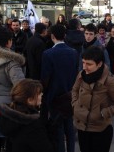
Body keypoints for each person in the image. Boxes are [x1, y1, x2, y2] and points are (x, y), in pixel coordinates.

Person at [72, 45, 114, 152]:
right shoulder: (81, 74)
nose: (84, 67)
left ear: (99, 64)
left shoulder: (109, 81)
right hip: (82, 127)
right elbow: (74, 90)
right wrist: (75, 105)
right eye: (83, 62)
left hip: (100, 130)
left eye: (89, 64)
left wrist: (103, 113)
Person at [41, 24, 78, 152]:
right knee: (69, 126)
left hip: (54, 96)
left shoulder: (48, 54)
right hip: (69, 95)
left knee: (58, 129)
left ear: (52, 36)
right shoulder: (74, 53)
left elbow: (45, 78)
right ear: (65, 36)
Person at [0, 79, 54, 152]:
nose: (42, 94)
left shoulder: (7, 116)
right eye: (39, 93)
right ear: (29, 100)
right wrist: (52, 131)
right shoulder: (32, 125)